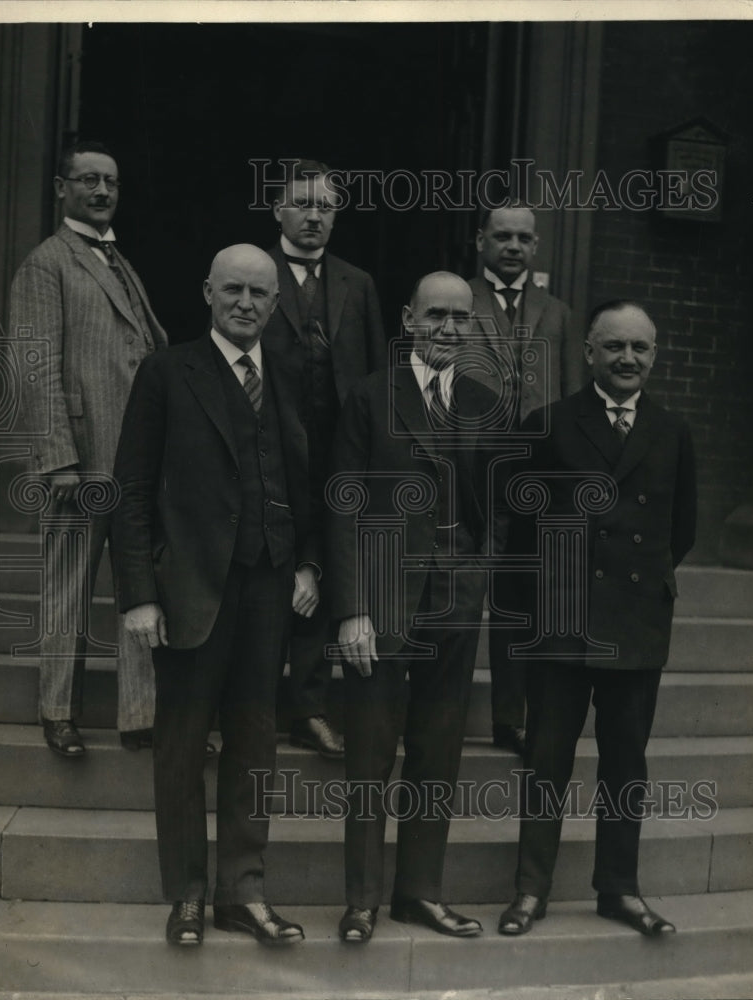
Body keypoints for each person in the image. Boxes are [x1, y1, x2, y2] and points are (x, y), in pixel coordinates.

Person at [112, 245, 320, 947]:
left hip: (267, 589)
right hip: (189, 591)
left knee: (256, 742)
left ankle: (244, 891)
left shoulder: (289, 377)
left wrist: (308, 563)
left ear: (274, 303)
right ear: (207, 291)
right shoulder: (167, 373)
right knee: (179, 745)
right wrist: (139, 594)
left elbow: (303, 479)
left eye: (259, 293)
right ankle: (189, 895)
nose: (246, 303)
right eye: (232, 289)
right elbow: (132, 491)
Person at [498, 300, 696, 938]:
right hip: (561, 621)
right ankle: (531, 890)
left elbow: (680, 528)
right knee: (547, 760)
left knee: (625, 764)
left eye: (640, 348)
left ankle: (619, 887)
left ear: (655, 355)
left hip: (636, 624)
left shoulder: (672, 430)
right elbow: (518, 529)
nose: (628, 359)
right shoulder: (549, 424)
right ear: (588, 352)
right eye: (614, 347)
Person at [327, 272, 496, 943]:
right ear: (407, 318)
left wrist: (478, 569)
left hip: (454, 599)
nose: (448, 329)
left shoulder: (484, 401)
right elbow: (341, 502)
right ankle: (362, 899)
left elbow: (498, 502)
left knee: (438, 749)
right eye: (435, 315)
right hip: (384, 599)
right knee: (370, 752)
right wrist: (352, 609)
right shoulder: (370, 398)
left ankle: (418, 894)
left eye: (460, 317)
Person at [10, 139, 168, 757]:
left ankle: (140, 717)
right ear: (61, 188)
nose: (101, 192)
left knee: (140, 589)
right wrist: (59, 459)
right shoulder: (47, 263)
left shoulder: (116, 260)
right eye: (88, 181)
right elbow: (34, 364)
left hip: (133, 462)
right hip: (80, 461)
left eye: (110, 182)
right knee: (68, 589)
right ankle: (57, 713)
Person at [264, 159, 386, 759]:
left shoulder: (357, 284)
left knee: (323, 574)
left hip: (339, 453)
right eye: (302, 203)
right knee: (267, 571)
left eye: (326, 206)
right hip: (268, 448)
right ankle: (253, 703)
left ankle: (308, 709)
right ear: (278, 210)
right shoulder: (253, 273)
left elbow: (372, 372)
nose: (314, 215)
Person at [469, 203, 583, 757]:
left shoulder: (557, 313)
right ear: (481, 241)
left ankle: (510, 718)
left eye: (523, 238)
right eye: (502, 236)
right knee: (459, 587)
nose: (513, 246)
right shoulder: (457, 301)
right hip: (470, 468)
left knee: (521, 598)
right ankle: (432, 704)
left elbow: (571, 399)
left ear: (535, 247)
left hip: (536, 475)